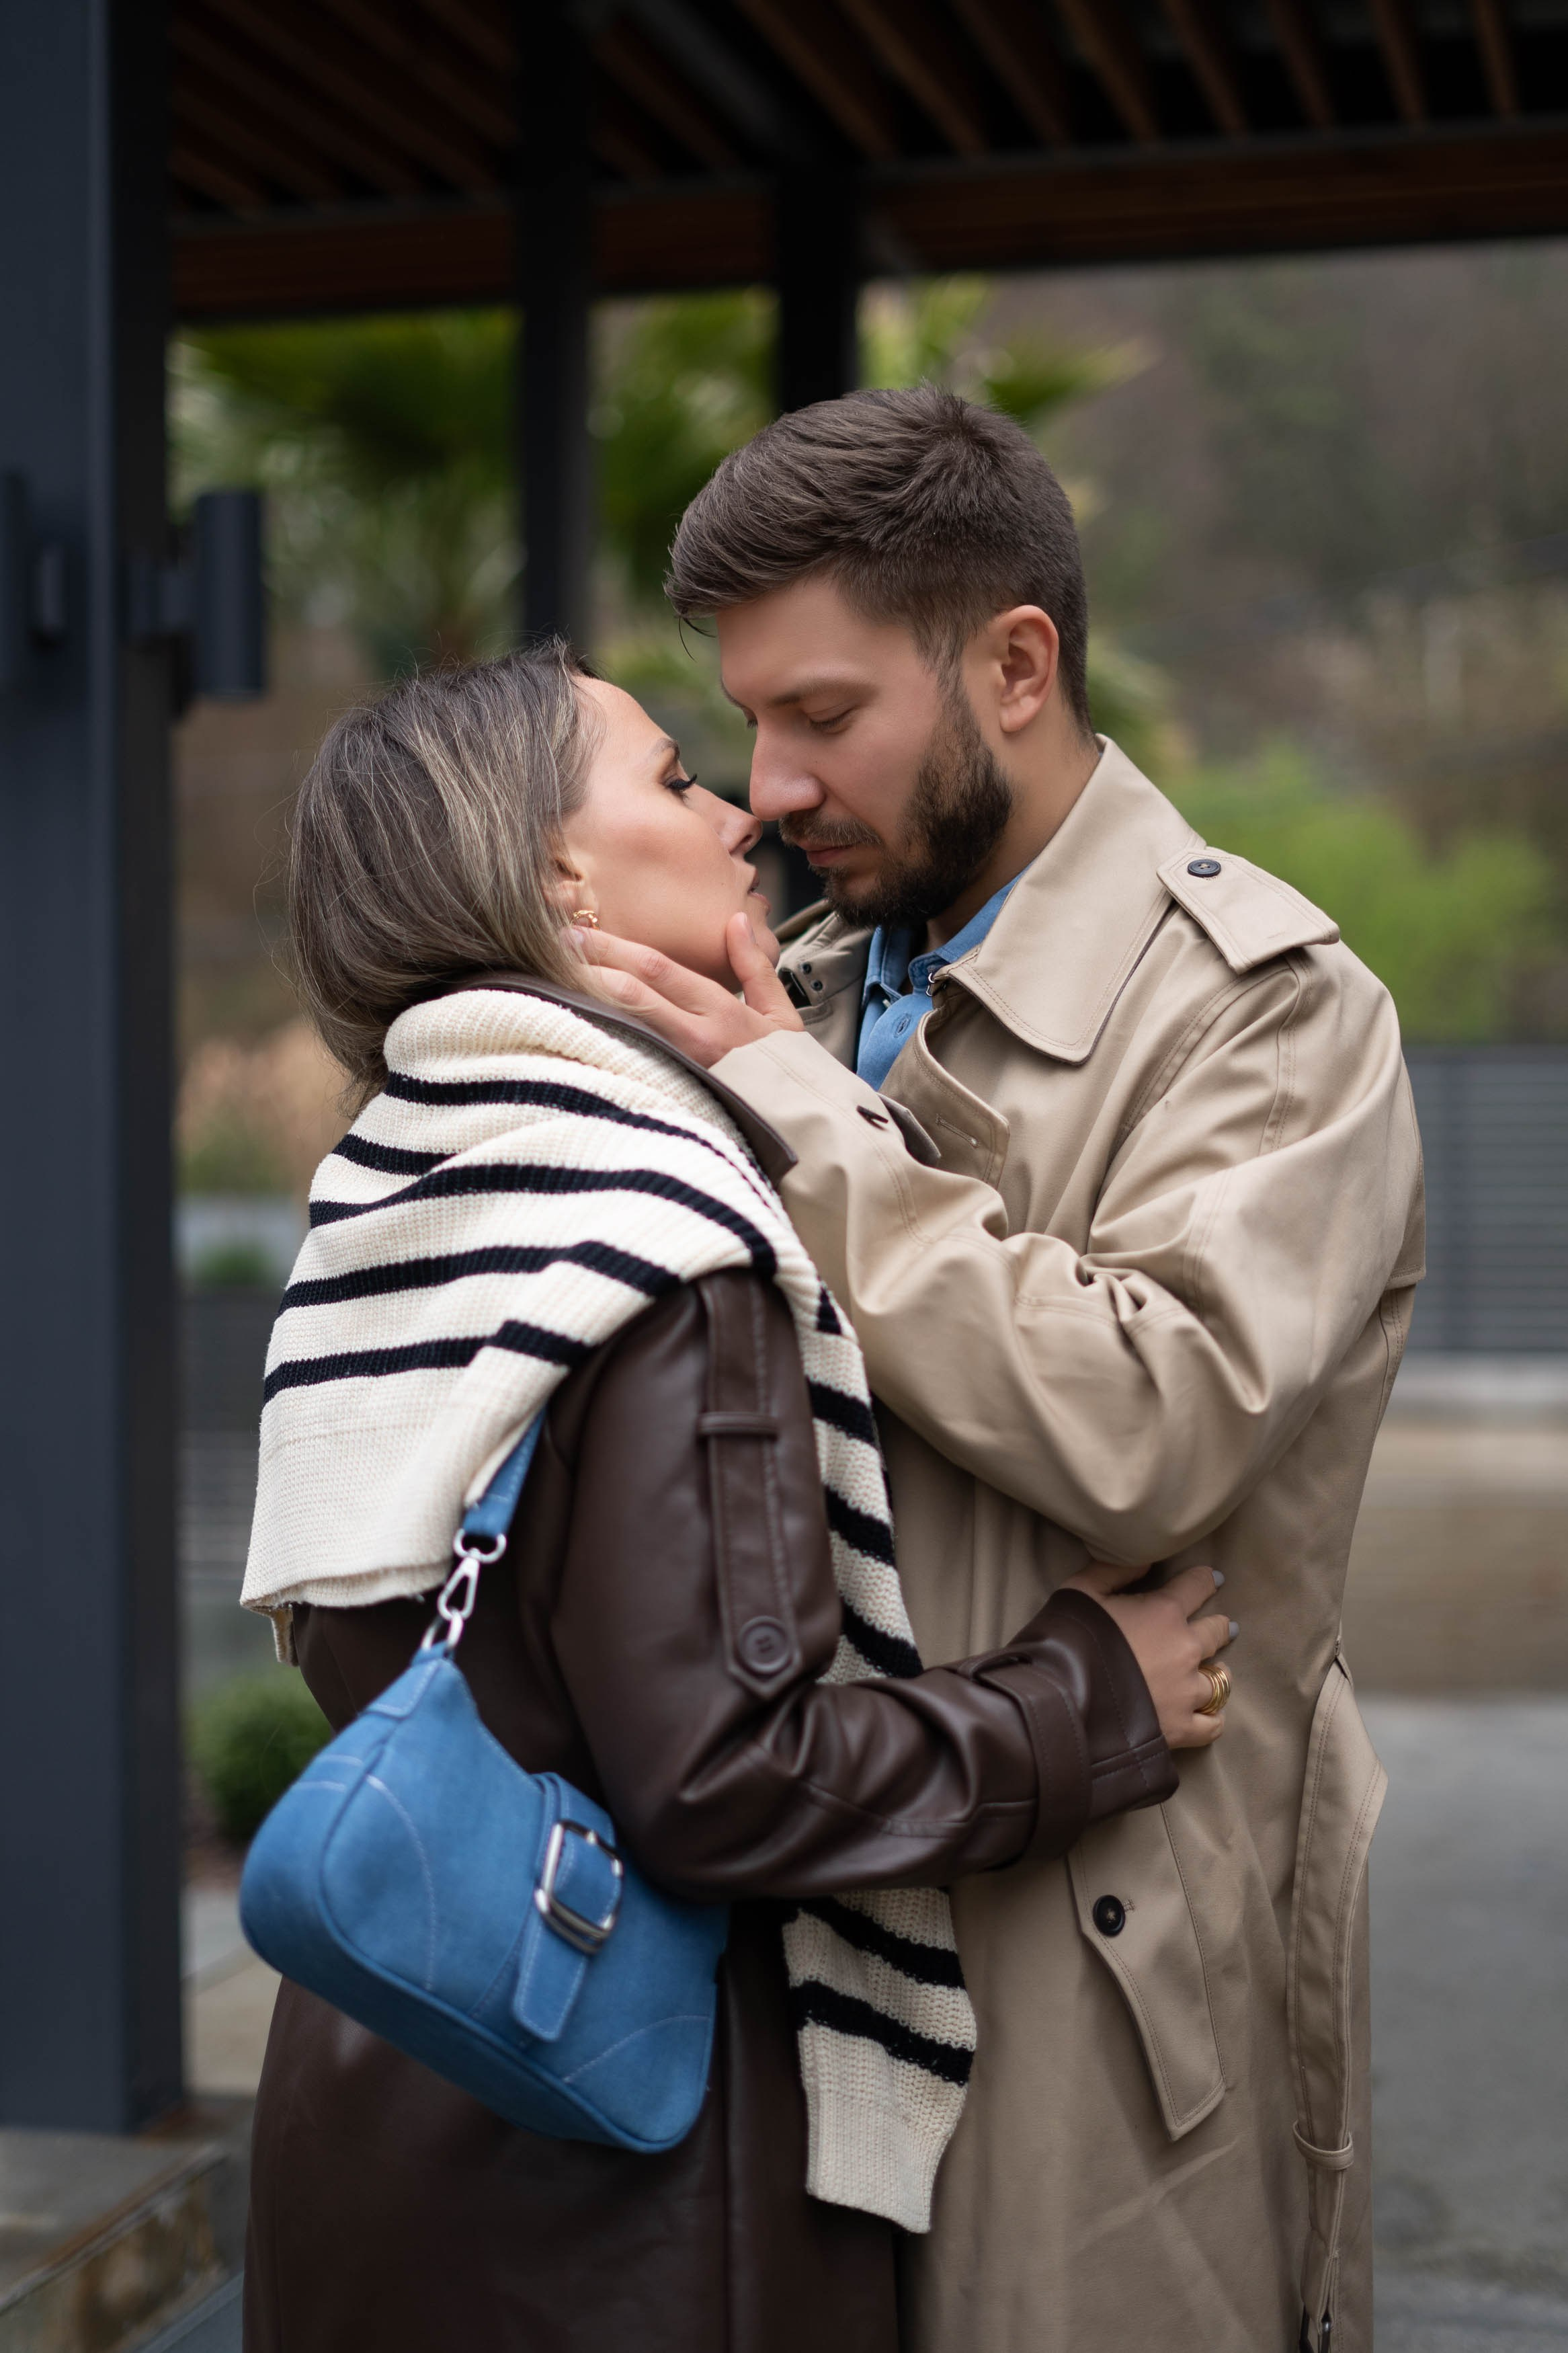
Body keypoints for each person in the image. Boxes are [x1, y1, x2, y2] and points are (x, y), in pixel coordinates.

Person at [239, 645, 1237, 2353]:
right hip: (628, 2185)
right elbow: (724, 1786)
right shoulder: (660, 1239)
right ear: (562, 876)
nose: (737, 813)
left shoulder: (400, 1180)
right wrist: (1084, 1705)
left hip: (382, 2110)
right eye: (672, 775)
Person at [570, 388, 1426, 2353]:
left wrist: (791, 1105)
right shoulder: (779, 977)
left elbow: (1151, 1425)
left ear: (1013, 665)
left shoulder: (1269, 1015)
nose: (768, 783)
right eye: (747, 721)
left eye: (823, 712)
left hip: (1099, 1996)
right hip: (782, 1946)